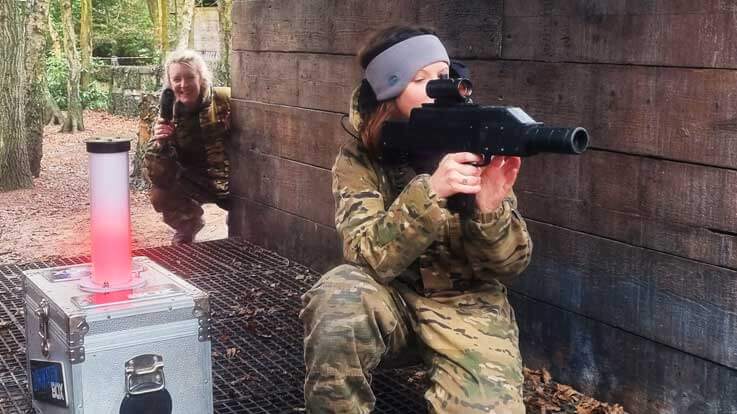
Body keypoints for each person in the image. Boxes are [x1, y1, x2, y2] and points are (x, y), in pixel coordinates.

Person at [300, 26, 533, 414]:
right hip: (392, 297)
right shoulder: (360, 159)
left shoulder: (474, 140)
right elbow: (365, 255)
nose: (435, 88)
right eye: (418, 79)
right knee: (339, 297)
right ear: (388, 96)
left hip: (467, 304)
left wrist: (491, 211)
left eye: (441, 77)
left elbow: (511, 266)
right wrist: (432, 192)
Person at [145, 49, 232, 245]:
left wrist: (234, 127)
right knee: (160, 194)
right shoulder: (168, 113)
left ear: (201, 78)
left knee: (243, 219)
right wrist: (161, 144)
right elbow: (157, 175)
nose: (183, 85)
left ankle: (239, 223)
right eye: (177, 79)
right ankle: (187, 226)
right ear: (170, 83)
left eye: (189, 77)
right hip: (195, 180)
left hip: (232, 178)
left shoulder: (226, 100)